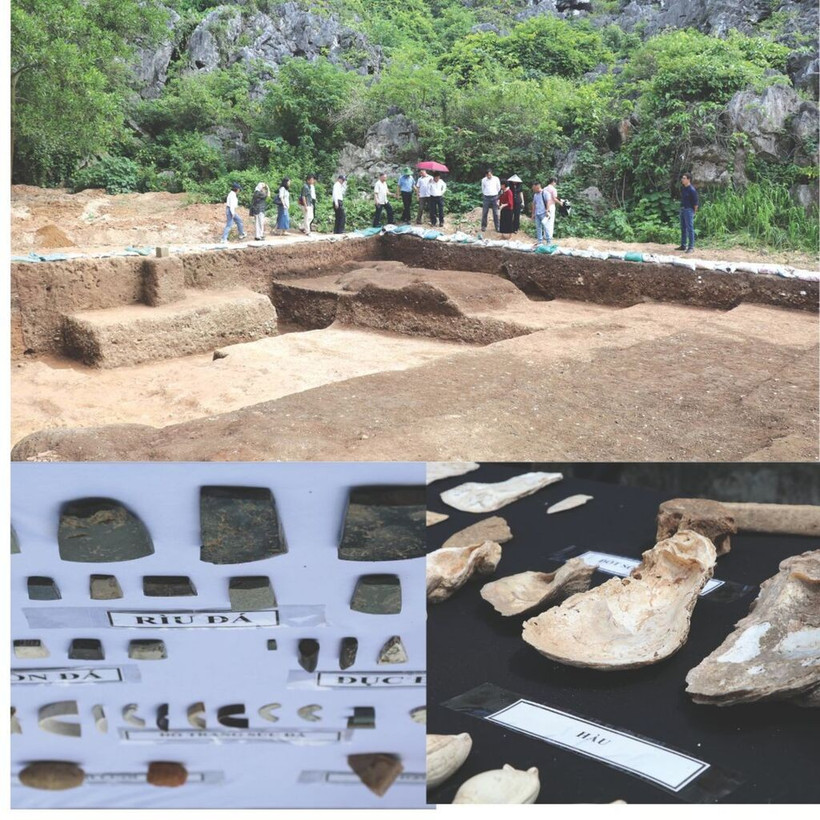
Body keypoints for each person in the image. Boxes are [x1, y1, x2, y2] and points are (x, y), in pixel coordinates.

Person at [677, 173, 699, 253]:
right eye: (682, 178)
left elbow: (696, 203)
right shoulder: (683, 188)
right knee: (683, 228)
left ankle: (691, 247)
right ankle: (683, 245)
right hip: (683, 209)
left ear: (688, 179)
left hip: (689, 210)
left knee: (690, 228)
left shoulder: (692, 190)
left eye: (684, 178)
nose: (682, 180)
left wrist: (693, 212)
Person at [543, 176, 564, 243]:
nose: (555, 183)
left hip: (545, 206)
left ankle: (545, 235)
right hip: (551, 206)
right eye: (555, 182)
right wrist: (560, 203)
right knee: (551, 221)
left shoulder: (544, 189)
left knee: (546, 220)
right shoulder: (553, 189)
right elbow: (554, 198)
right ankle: (549, 236)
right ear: (553, 182)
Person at [481, 168, 501, 232]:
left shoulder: (496, 179)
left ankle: (497, 227)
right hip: (486, 197)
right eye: (488, 175)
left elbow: (499, 188)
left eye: (490, 175)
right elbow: (483, 188)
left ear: (492, 174)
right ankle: (483, 226)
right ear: (486, 175)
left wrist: (495, 194)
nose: (489, 176)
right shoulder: (483, 180)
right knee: (484, 212)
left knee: (495, 213)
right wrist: (486, 194)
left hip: (494, 197)